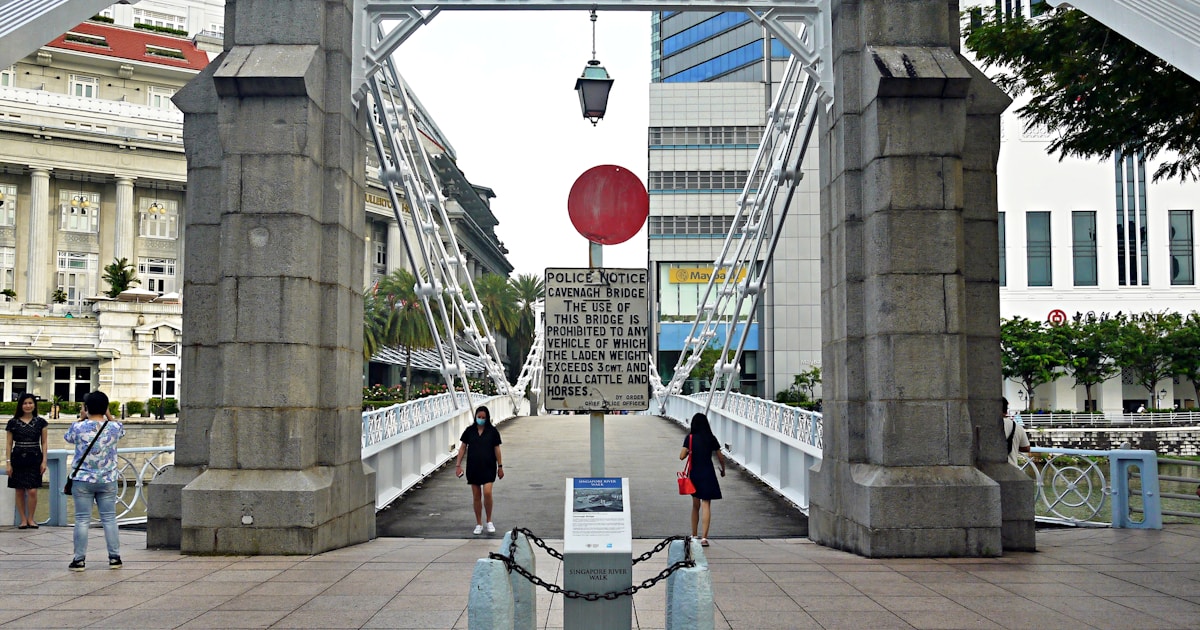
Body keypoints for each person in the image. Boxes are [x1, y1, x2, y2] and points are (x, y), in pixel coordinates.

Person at [63, 391, 124, 571]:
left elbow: (68, 438)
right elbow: (120, 431)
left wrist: (82, 418)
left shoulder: (77, 427)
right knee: (109, 519)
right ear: (105, 408)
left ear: (86, 407)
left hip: (83, 479)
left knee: (82, 519)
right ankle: (115, 558)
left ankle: (79, 560)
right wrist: (109, 415)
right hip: (107, 479)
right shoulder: (115, 427)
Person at [454, 405, 503, 535]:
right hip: (473, 467)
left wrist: (500, 466)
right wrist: (458, 465)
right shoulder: (469, 431)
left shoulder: (492, 432)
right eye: (479, 417)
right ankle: (478, 523)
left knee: (487, 493)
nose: (481, 419)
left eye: (483, 417)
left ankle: (489, 520)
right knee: (476, 496)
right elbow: (463, 448)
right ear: (475, 416)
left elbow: (497, 449)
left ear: (487, 418)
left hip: (488, 466)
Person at [679, 412, 725, 547]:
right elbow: (720, 456)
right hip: (708, 473)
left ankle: (694, 535)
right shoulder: (711, 438)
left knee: (695, 506)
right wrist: (723, 470)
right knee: (706, 505)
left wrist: (689, 451)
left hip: (694, 474)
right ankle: (704, 538)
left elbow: (681, 456)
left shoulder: (690, 438)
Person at [6, 393, 48, 529]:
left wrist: (44, 461)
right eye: (25, 403)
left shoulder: (40, 422)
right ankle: (23, 519)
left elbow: (44, 442)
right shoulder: (13, 423)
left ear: (34, 405)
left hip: (34, 457)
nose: (28, 406)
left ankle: (31, 518)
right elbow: (8, 444)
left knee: (32, 491)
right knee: (19, 490)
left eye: (30, 403)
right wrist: (8, 462)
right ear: (20, 405)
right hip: (17, 458)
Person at [1002, 397, 1031, 467]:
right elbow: (1026, 448)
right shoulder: (1016, 426)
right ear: (1006, 411)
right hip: (1012, 469)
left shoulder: (986, 426)